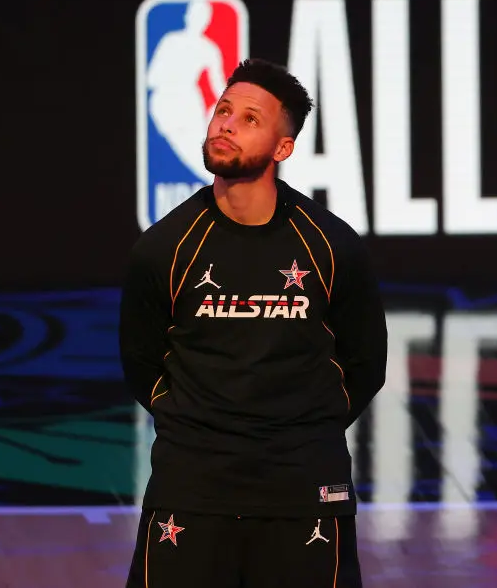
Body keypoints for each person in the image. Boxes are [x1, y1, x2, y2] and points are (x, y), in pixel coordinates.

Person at [120, 58, 388, 587]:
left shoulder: (332, 246)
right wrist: (197, 429)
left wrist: (302, 434)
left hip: (303, 492)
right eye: (223, 110)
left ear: (282, 149)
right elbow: (141, 361)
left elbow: (365, 365)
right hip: (192, 491)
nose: (225, 124)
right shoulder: (164, 247)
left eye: (248, 118)